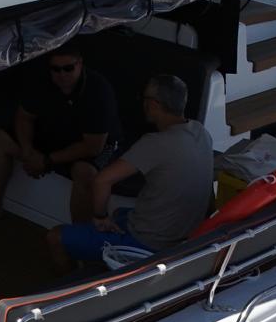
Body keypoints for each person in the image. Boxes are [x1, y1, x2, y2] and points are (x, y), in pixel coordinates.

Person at [47, 73, 214, 271]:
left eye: (144, 98)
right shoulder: (200, 131)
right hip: (185, 234)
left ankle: (74, 283)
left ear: (153, 104)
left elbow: (101, 181)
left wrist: (100, 217)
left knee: (55, 237)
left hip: (149, 243)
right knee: (120, 213)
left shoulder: (155, 143)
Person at [0, 45, 120, 220]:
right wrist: (28, 152)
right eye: (56, 69)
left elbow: (93, 147)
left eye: (68, 68)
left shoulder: (98, 91)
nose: (62, 74)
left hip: (91, 143)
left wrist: (46, 160)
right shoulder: (41, 80)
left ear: (80, 64)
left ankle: (77, 233)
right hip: (54, 132)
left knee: (85, 172)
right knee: (0, 138)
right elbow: (24, 117)